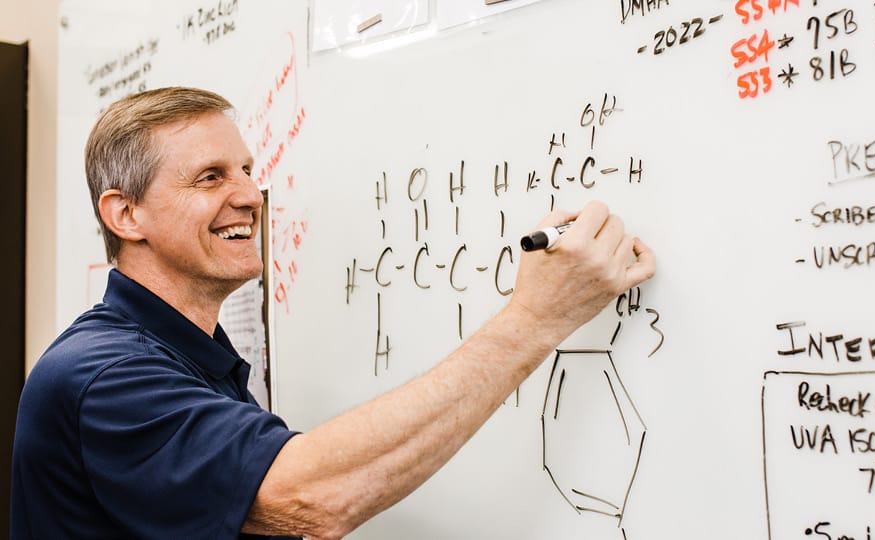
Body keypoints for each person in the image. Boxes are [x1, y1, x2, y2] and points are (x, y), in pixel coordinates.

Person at [10, 87, 655, 539]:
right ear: (126, 215)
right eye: (210, 178)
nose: (249, 196)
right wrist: (535, 319)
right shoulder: (102, 376)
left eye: (246, 169)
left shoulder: (189, 354)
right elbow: (310, 496)